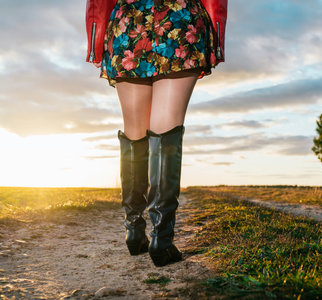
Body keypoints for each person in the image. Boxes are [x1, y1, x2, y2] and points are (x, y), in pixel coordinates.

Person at [85, 0, 227, 267]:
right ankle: (161, 239)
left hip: (128, 21)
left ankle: (134, 230)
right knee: (166, 127)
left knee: (135, 130)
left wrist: (95, 37)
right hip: (179, 17)